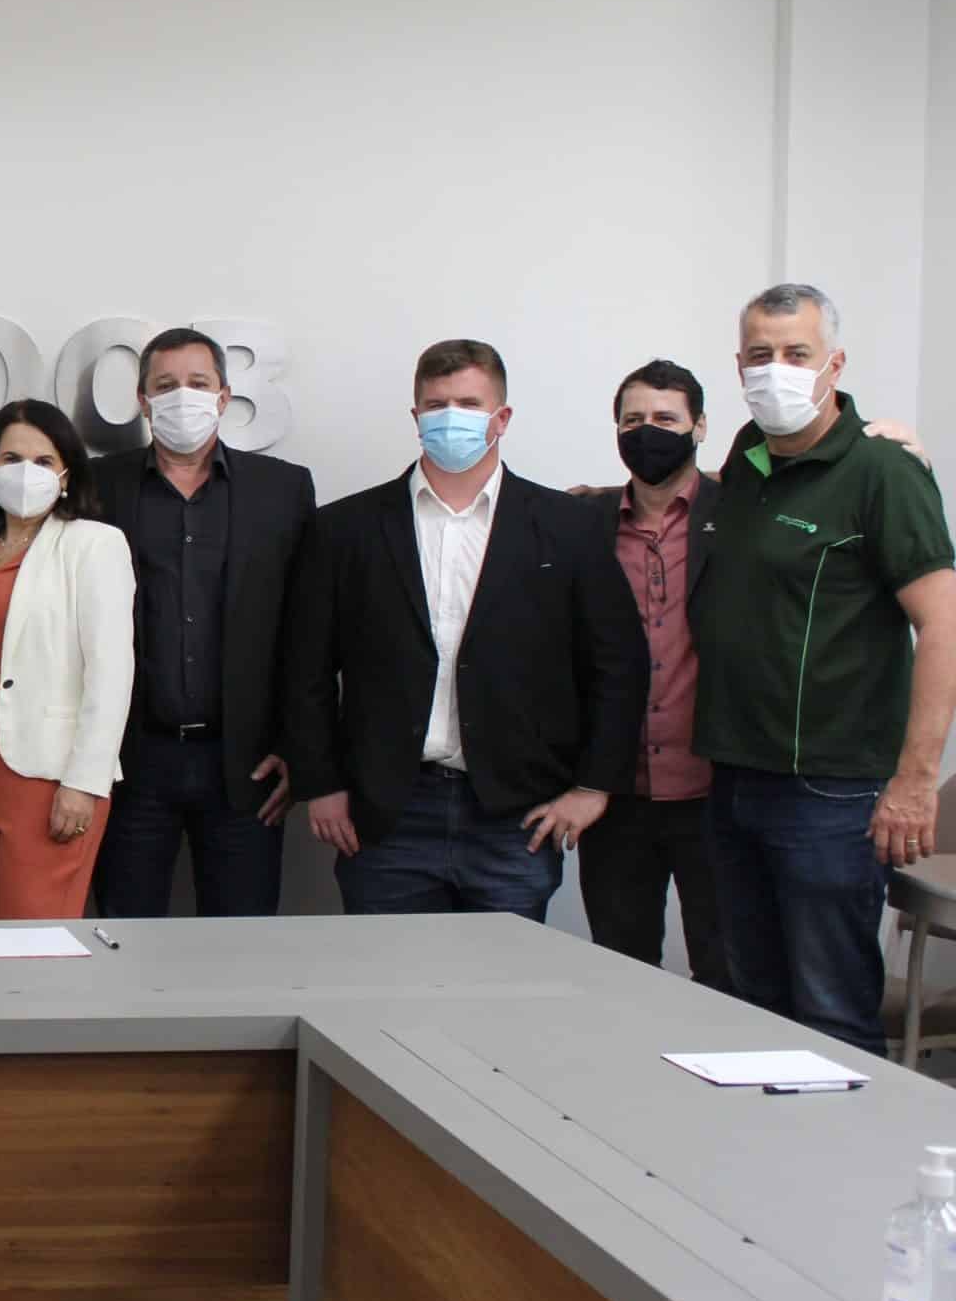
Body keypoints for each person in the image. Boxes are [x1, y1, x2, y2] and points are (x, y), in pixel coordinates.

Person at [282, 340, 646, 921]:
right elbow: (306, 669)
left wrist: (593, 787)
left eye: (470, 404)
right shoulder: (345, 529)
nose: (451, 417)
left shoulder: (568, 527)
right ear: (416, 416)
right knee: (387, 975)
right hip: (388, 814)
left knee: (503, 979)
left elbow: (616, 663)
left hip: (515, 813)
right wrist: (320, 783)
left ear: (502, 417)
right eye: (437, 404)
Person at [691, 284, 956, 1055]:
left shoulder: (884, 470)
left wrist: (916, 781)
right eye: (760, 354)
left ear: (833, 365)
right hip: (734, 776)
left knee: (831, 1018)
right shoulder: (747, 456)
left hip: (830, 793)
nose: (776, 369)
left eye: (796, 353)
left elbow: (942, 625)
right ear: (739, 365)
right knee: (754, 1009)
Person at [88, 327, 315, 919]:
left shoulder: (283, 489)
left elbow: (307, 632)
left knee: (241, 946)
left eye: (198, 382)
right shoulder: (96, 487)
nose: (182, 396)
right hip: (130, 762)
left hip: (245, 765)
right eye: (165, 386)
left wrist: (298, 746)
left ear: (224, 396)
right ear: (143, 401)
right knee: (124, 937)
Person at [0, 399, 135, 920]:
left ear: (66, 474)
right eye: (12, 458)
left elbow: (111, 674)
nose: (25, 472)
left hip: (49, 772)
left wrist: (84, 783)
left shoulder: (94, 545)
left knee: (35, 936)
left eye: (43, 461)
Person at [573, 360, 728, 991]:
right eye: (633, 419)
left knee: (726, 975)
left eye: (666, 418)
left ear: (700, 427)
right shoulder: (582, 519)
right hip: (616, 793)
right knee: (621, 976)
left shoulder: (740, 512)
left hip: (717, 792)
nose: (647, 432)